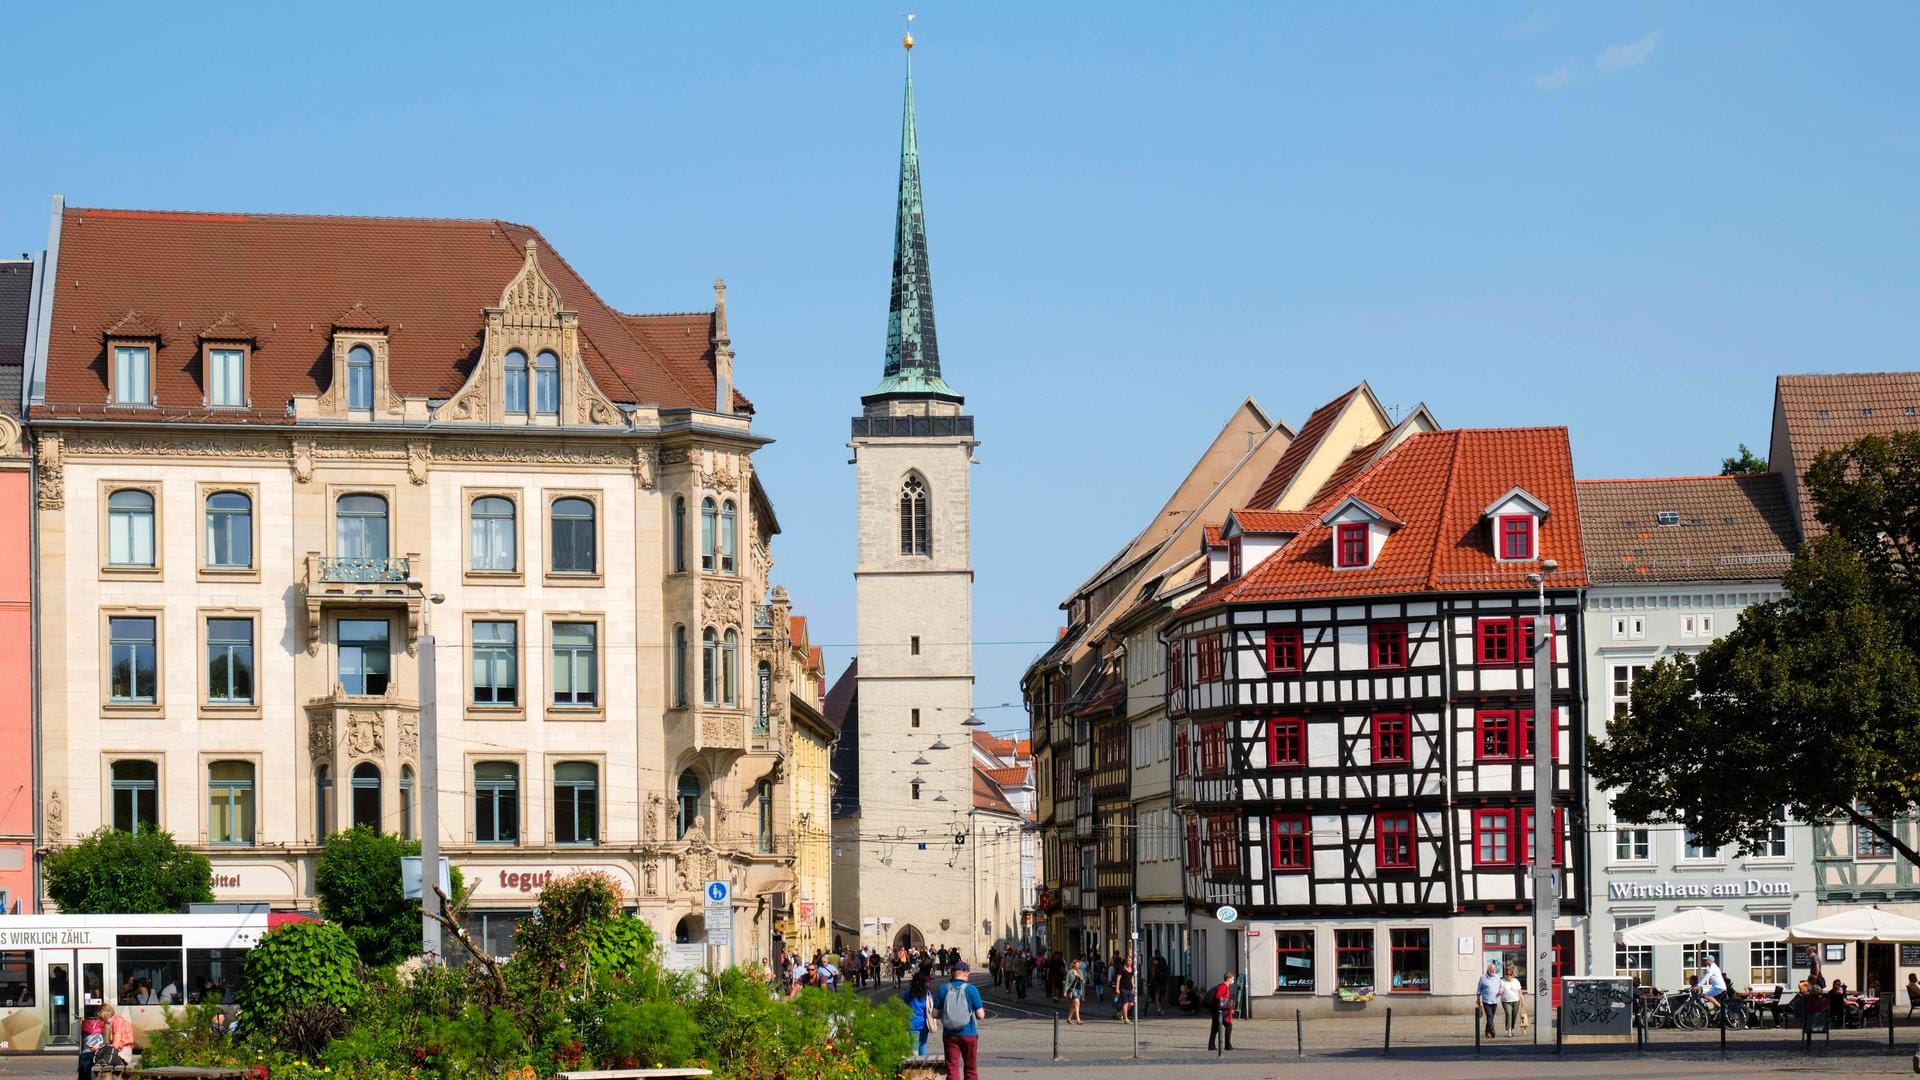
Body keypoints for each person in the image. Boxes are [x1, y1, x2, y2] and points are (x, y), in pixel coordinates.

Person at [938, 960, 985, 1080]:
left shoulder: (944, 988)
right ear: (966, 973)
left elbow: (934, 1013)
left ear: (953, 973)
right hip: (969, 1033)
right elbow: (980, 1015)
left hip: (949, 1034)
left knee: (952, 1068)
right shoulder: (971, 989)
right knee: (970, 1069)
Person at [903, 968, 936, 1056]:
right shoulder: (927, 993)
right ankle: (923, 1065)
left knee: (913, 1047)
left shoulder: (908, 993)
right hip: (924, 1023)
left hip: (912, 1023)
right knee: (923, 1044)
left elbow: (904, 1006)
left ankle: (914, 1066)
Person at [1207, 971, 1237, 1051]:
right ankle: (1227, 1045)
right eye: (1233, 979)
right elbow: (1218, 997)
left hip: (1219, 1010)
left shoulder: (1224, 986)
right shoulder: (1223, 987)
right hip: (1220, 1011)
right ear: (1228, 979)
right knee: (1228, 1026)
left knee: (1215, 1028)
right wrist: (1229, 1004)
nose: (1233, 981)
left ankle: (1211, 1046)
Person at [1477, 962, 1503, 1038]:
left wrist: (1501, 990)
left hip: (1495, 1000)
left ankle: (1487, 1031)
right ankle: (1492, 1030)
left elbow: (1502, 986)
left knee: (1491, 1017)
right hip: (1486, 1000)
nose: (1493, 970)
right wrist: (1478, 999)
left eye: (1494, 969)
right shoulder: (1483, 978)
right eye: (1491, 969)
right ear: (1488, 970)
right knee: (1489, 1015)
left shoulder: (1498, 977)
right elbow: (1479, 989)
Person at [1114, 954, 1137, 1024]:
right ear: (1125, 961)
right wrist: (1117, 988)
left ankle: (1120, 1014)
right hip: (1123, 988)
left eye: (1130, 961)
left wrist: (1133, 987)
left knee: (1131, 1004)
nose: (1129, 962)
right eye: (1128, 960)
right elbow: (1118, 978)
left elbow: (1132, 979)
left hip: (1130, 988)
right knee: (1125, 1003)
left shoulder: (1132, 969)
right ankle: (1125, 1019)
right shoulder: (1122, 968)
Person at [1500, 964, 1523, 1034]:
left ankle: (1512, 1028)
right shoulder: (1502, 981)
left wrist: (1522, 1002)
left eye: (1510, 974)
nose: (1508, 976)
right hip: (1506, 1001)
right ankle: (1508, 1029)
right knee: (1508, 1014)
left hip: (1516, 1000)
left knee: (1514, 1015)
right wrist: (1500, 992)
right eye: (1507, 974)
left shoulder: (1516, 981)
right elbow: (1500, 989)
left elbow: (1520, 991)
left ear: (1512, 975)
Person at [1065, 958, 1086, 1025]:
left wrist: (1080, 977)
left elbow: (1083, 980)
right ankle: (1078, 1020)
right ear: (1073, 965)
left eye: (1078, 964)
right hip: (1072, 989)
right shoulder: (1070, 972)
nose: (1078, 966)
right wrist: (1065, 991)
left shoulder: (1080, 971)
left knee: (1075, 1005)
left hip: (1079, 989)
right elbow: (1067, 982)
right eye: (1076, 964)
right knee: (1077, 1002)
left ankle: (1069, 1018)